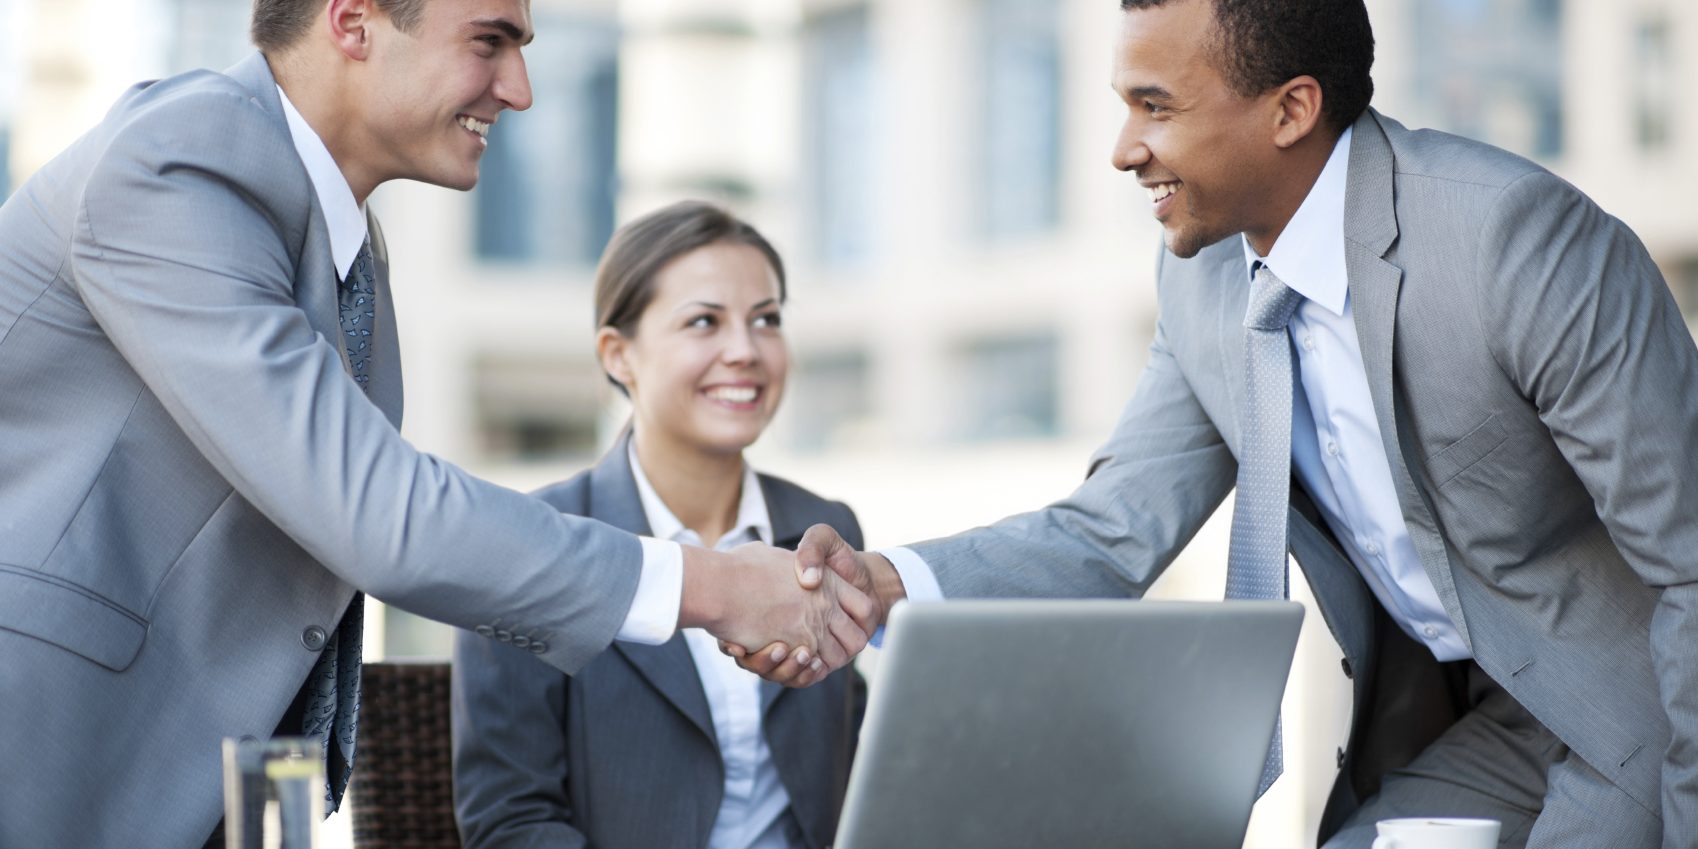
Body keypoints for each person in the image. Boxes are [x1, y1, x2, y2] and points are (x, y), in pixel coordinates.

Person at [733, 0, 1698, 846]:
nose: (1122, 147)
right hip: (1473, 725)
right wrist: (885, 581)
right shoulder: (1202, 283)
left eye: (1156, 106)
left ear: (1292, 109)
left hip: (1637, 713)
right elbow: (1109, 531)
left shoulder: (1515, 243)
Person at [0, 2, 870, 846]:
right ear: (352, 21)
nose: (519, 88)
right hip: (50, 763)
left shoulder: (344, 243)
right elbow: (382, 514)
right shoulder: (177, 162)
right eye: (489, 41)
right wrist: (714, 587)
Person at [452, 201, 866, 849]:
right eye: (704, 321)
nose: (745, 350)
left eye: (767, 320)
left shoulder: (823, 529)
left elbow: (863, 765)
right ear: (619, 355)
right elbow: (511, 821)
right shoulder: (529, 544)